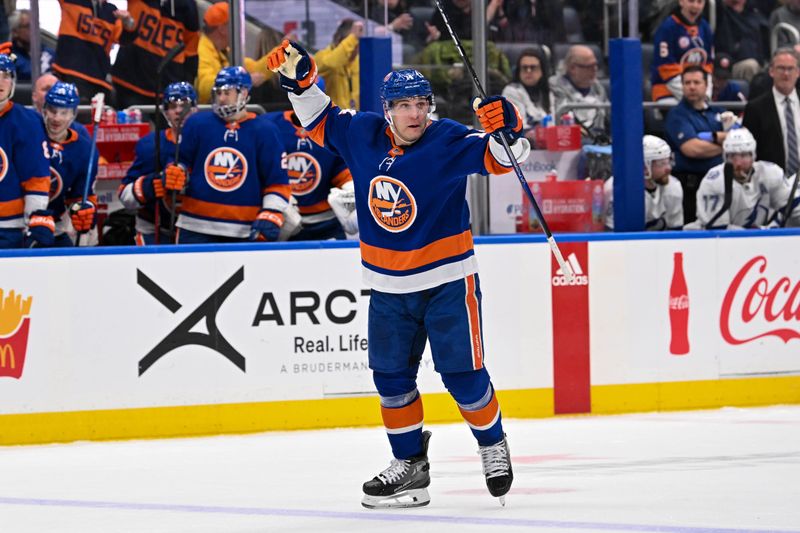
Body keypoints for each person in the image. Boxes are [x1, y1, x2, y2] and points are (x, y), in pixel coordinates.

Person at [268, 41, 528, 508]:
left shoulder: (447, 138)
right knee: (390, 379)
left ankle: (492, 445)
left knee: (463, 376)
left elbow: (502, 157)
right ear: (387, 110)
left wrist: (507, 124)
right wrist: (298, 81)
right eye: (405, 105)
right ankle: (411, 466)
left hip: (448, 281)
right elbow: (316, 113)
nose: (415, 114)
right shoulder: (361, 133)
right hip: (388, 287)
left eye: (422, 105)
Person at [173, 66, 292, 244]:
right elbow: (181, 162)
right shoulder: (197, 124)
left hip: (243, 228)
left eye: (227, 92)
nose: (221, 98)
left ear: (243, 93)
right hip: (194, 224)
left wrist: (271, 212)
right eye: (218, 92)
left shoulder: (265, 131)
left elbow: (277, 181)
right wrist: (176, 172)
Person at [118, 82, 197, 245]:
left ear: (195, 108)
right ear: (165, 111)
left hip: (197, 230)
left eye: (185, 105)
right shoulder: (151, 145)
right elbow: (124, 196)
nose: (179, 111)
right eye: (173, 105)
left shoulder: (208, 143)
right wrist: (147, 187)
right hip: (154, 230)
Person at [261, 109, 356, 240]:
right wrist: (275, 207)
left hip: (327, 222)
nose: (307, 105)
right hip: (284, 218)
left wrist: (352, 191)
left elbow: (342, 171)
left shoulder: (334, 126)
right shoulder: (270, 125)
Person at [664, 65, 733, 223]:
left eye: (696, 82)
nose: (691, 87)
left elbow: (740, 139)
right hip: (690, 187)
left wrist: (714, 138)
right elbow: (693, 149)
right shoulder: (677, 115)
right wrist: (725, 143)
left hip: (720, 185)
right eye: (687, 83)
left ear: (706, 85)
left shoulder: (718, 112)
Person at [692, 128, 800, 229]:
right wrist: (759, 235)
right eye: (733, 156)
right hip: (716, 245)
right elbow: (718, 230)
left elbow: (793, 208)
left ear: (753, 156)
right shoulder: (714, 181)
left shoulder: (770, 173)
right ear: (725, 157)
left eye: (744, 155)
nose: (738, 163)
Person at [0, 48, 52, 248]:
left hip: (9, 229)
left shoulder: (27, 122)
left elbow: (36, 178)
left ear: (13, 82)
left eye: (6, 76)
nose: (1, 83)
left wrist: (34, 220)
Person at [110, 0, 199, 108]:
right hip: (129, 84)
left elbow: (191, 49)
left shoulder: (187, 5)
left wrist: (185, 85)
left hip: (169, 90)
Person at [41, 82, 98, 246]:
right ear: (44, 109)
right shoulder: (29, 133)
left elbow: (80, 196)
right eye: (52, 110)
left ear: (73, 114)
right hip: (20, 223)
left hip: (55, 227)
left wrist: (84, 211)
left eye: (64, 112)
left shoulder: (85, 150)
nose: (56, 118)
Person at [52, 0, 134, 104]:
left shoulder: (112, 11)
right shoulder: (71, 1)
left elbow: (125, 39)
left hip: (100, 80)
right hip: (70, 73)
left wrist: (127, 21)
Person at [195, 2, 271, 105]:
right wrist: (243, 80)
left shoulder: (224, 50)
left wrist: (284, 51)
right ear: (222, 29)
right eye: (236, 24)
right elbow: (204, 87)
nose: (240, 29)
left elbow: (255, 68)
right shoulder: (201, 50)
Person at [604, 135, 684, 231]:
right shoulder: (616, 189)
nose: (668, 168)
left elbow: (675, 230)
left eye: (668, 161)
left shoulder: (673, 187)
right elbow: (612, 235)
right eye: (661, 164)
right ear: (644, 167)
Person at [743, 48, 800, 176]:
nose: (786, 74)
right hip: (771, 184)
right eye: (781, 68)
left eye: (790, 69)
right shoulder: (755, 108)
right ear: (771, 71)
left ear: (798, 72)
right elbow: (750, 152)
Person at [651, 0, 714, 102]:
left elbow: (708, 65)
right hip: (666, 92)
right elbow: (666, 69)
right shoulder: (667, 28)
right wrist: (694, 96)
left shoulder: (705, 28)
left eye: (699, 2)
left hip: (699, 93)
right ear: (681, 2)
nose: (695, 6)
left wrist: (704, 94)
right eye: (691, 1)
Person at [549, 44, 608, 141]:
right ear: (572, 68)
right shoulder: (555, 87)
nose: (595, 69)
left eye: (595, 65)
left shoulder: (598, 87)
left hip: (599, 142)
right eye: (589, 66)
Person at [713, 0, 769, 82]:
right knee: (750, 65)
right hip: (729, 66)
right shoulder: (719, 12)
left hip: (759, 63)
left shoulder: (754, 13)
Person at [501, 47, 552, 136]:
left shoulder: (549, 91)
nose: (528, 71)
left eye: (533, 67)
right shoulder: (511, 91)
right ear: (518, 71)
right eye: (524, 68)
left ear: (542, 71)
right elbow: (518, 127)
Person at [315, 19, 363, 110]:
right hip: (333, 118)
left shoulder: (358, 61)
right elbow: (332, 62)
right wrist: (352, 38)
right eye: (352, 46)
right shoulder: (322, 57)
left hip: (354, 118)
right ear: (340, 41)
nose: (356, 50)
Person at [8, 9, 55, 81]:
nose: (34, 29)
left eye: (36, 25)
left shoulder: (50, 53)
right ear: (15, 32)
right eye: (28, 26)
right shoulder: (9, 57)